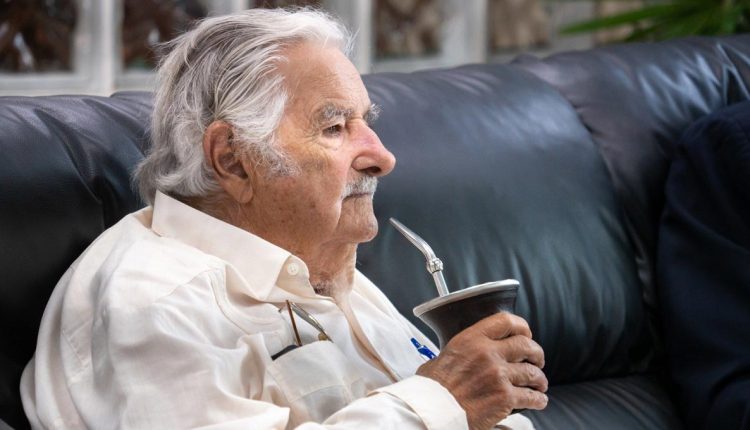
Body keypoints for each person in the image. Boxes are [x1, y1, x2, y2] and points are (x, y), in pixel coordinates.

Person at [20, 8, 547, 430]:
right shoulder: (158, 302)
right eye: (336, 127)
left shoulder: (327, 267)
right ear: (232, 159)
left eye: (366, 122)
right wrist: (443, 400)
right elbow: (442, 406)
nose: (382, 156)